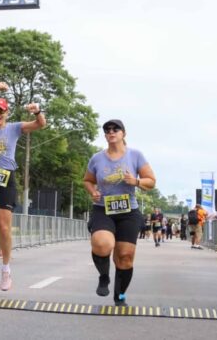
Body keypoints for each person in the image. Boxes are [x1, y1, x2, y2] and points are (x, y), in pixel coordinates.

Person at [0, 82, 46, 291]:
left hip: (7, 178)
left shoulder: (14, 128)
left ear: (6, 112)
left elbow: (40, 124)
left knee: (4, 229)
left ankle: (6, 270)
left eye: (0, 111)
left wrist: (37, 111)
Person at [83, 119, 156, 307]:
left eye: (115, 129)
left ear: (123, 133)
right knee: (102, 244)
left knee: (125, 257)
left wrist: (137, 182)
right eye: (107, 130)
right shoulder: (97, 158)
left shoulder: (135, 156)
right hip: (103, 209)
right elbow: (87, 180)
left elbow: (151, 181)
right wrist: (93, 191)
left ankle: (120, 295)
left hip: (128, 211)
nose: (111, 132)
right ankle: (104, 276)